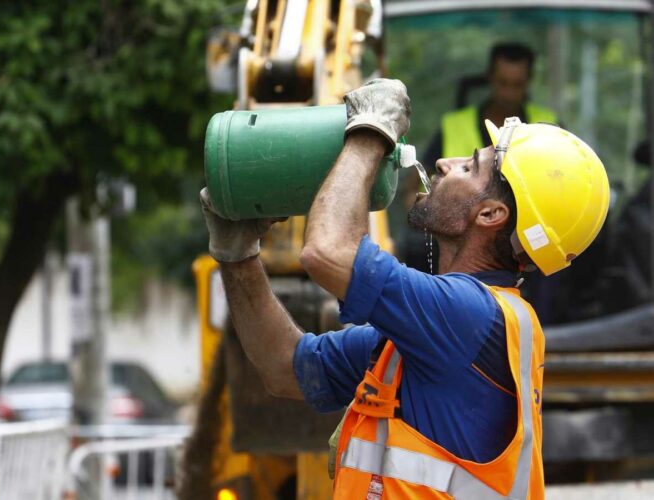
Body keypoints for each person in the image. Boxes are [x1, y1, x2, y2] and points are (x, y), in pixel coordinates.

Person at [200, 79, 609, 498]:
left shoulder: (468, 315)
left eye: (469, 166)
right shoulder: (444, 331)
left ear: (490, 213)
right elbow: (284, 369)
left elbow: (328, 252)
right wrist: (239, 256)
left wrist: (370, 132)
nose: (445, 163)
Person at [423, 43, 557, 169]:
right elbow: (416, 183)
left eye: (517, 85)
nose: (509, 94)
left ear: (529, 81)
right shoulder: (452, 126)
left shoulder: (550, 127)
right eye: (502, 83)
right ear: (490, 78)